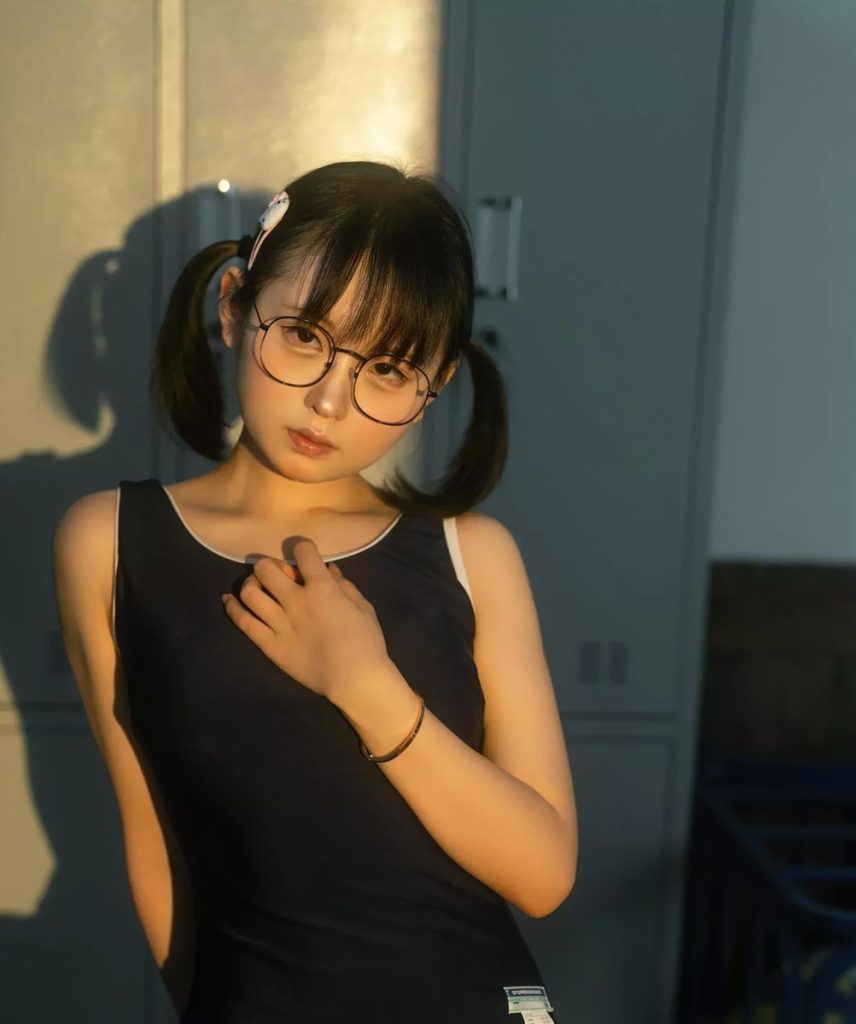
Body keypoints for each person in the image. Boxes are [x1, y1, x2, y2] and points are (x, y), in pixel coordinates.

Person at [51, 160, 578, 1023]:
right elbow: (154, 843)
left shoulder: (473, 554)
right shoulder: (106, 542)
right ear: (233, 306)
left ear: (435, 387)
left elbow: (544, 873)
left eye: (388, 368)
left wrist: (363, 684)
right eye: (303, 335)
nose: (330, 400)